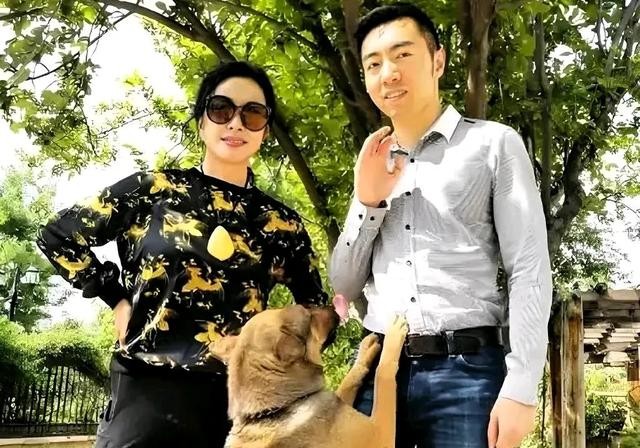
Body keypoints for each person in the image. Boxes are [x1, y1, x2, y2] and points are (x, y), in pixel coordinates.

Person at [37, 61, 328, 448]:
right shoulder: (152, 190)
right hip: (144, 393)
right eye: (221, 109)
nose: (236, 123)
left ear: (266, 130)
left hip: (238, 408)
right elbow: (58, 236)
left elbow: (316, 310)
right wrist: (115, 297)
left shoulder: (281, 223)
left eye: (253, 114)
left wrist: (279, 353)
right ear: (202, 121)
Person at [329, 3, 552, 448]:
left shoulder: (493, 144)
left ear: (438, 60)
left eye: (402, 54)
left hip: (467, 375)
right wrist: (368, 201)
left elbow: (529, 267)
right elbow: (344, 284)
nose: (388, 73)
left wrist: (522, 386)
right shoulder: (372, 162)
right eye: (373, 64)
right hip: (377, 370)